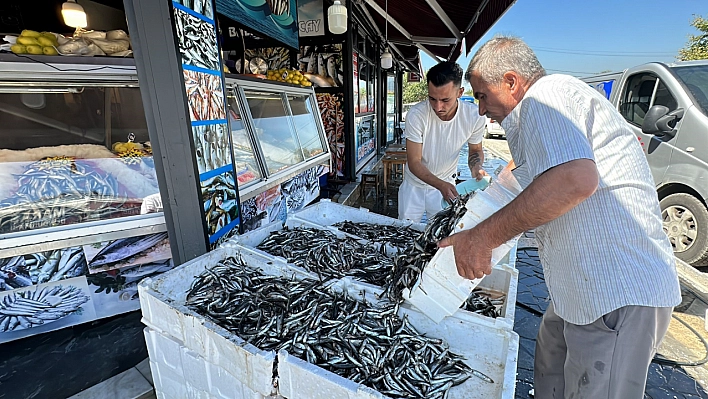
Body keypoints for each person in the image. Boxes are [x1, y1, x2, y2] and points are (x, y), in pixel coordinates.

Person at [439, 36, 681, 399]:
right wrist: (466, 223)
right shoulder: (539, 114)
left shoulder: (546, 95)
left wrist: (482, 238)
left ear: (511, 81)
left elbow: (573, 179)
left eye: (482, 95)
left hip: (616, 291)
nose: (480, 109)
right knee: (550, 359)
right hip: (579, 291)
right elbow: (515, 176)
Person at [398, 61, 487, 222]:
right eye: (432, 99)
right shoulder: (417, 114)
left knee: (443, 236)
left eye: (445, 100)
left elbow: (475, 150)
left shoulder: (474, 116)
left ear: (460, 92)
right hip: (414, 186)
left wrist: (477, 168)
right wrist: (440, 185)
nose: (438, 107)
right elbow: (414, 162)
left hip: (447, 185)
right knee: (405, 232)